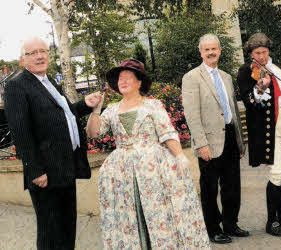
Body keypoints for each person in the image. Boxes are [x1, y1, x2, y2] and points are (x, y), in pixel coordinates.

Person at [86, 59, 210, 249]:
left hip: (153, 170)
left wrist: (179, 155)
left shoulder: (153, 105)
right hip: (123, 173)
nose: (123, 81)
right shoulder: (111, 109)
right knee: (130, 215)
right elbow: (94, 133)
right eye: (120, 78)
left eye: (128, 77)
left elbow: (167, 132)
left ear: (139, 82)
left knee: (157, 213)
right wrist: (95, 110)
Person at [4, 37, 102, 249]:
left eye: (43, 51)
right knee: (50, 232)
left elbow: (64, 116)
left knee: (67, 228)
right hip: (45, 174)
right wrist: (35, 170)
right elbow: (21, 132)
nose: (40, 56)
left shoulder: (49, 83)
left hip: (65, 167)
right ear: (22, 60)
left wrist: (86, 104)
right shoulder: (16, 86)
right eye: (32, 53)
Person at [237, 33, 281, 237]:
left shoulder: (274, 68)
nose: (261, 56)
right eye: (257, 53)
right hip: (270, 127)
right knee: (277, 172)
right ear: (250, 53)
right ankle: (272, 222)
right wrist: (260, 87)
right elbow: (249, 101)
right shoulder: (246, 71)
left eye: (264, 52)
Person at [182, 34, 248, 244]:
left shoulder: (226, 77)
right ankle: (213, 229)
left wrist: (239, 140)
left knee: (232, 185)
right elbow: (192, 114)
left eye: (214, 49)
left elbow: (233, 111)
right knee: (210, 187)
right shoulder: (192, 77)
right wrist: (201, 144)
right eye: (206, 50)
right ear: (201, 52)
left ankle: (230, 223)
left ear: (220, 50)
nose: (211, 53)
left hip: (229, 136)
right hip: (209, 141)